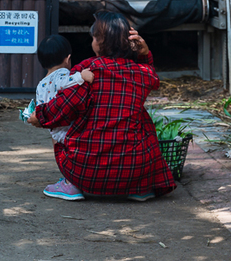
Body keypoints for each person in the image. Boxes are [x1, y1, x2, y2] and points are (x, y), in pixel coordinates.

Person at [28, 11, 175, 202]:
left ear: (99, 42)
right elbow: (153, 79)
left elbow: (64, 107)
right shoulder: (141, 72)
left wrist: (40, 116)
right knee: (141, 117)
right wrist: (145, 55)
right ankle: (140, 188)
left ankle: (71, 185)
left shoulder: (88, 69)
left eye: (94, 37)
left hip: (86, 172)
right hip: (134, 170)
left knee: (61, 131)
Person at [35, 34, 94, 145]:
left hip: (54, 131)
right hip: (70, 129)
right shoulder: (63, 74)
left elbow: (40, 107)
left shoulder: (40, 85)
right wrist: (81, 76)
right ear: (68, 59)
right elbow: (64, 82)